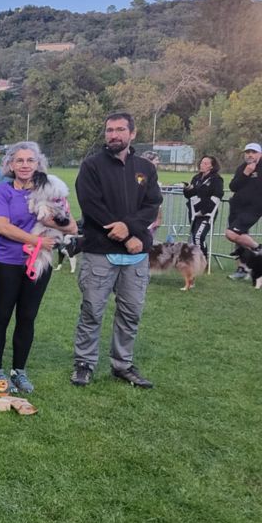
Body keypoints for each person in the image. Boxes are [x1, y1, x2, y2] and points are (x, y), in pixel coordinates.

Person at [71, 112, 161, 389]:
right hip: (100, 251)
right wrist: (123, 235)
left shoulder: (145, 168)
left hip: (136, 254)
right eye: (109, 130)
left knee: (131, 311)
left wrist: (130, 229)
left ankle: (122, 365)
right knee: (92, 310)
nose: (114, 135)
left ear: (132, 133)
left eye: (120, 129)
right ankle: (84, 363)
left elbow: (152, 205)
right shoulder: (91, 166)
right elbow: (91, 204)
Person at [0, 142, 77, 394]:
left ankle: (19, 371)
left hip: (40, 263)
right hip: (7, 261)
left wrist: (53, 221)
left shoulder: (50, 190)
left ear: (38, 164)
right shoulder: (2, 191)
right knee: (1, 316)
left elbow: (72, 227)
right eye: (20, 161)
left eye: (30, 160)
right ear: (10, 165)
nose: (25, 165)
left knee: (27, 317)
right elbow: (2, 227)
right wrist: (37, 240)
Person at [226, 143, 262, 279]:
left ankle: (258, 248)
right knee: (240, 240)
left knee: (231, 233)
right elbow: (233, 186)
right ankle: (242, 269)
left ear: (260, 154)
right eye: (248, 152)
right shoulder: (242, 168)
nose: (250, 155)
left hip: (253, 208)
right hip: (237, 207)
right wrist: (246, 173)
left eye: (253, 152)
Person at [183, 156, 223, 254]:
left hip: (207, 214)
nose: (202, 165)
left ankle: (202, 262)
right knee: (195, 237)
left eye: (206, 163)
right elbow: (190, 196)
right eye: (201, 162)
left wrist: (204, 211)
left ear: (212, 166)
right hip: (194, 212)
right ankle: (200, 260)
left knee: (198, 236)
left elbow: (217, 197)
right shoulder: (196, 178)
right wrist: (187, 189)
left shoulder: (216, 179)